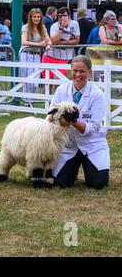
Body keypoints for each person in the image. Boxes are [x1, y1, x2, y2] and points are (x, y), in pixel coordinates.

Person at [50, 55, 109, 189]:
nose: (78, 74)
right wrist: (58, 121)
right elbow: (51, 116)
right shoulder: (61, 90)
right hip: (69, 145)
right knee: (60, 183)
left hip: (92, 145)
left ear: (89, 72)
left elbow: (93, 127)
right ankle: (71, 170)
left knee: (98, 184)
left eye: (82, 71)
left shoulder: (97, 95)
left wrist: (72, 121)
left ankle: (92, 170)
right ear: (71, 70)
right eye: (75, 70)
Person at [20, 8, 52, 102]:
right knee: (28, 80)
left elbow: (48, 39)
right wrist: (39, 44)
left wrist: (48, 45)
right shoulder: (26, 27)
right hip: (26, 55)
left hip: (37, 56)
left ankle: (30, 100)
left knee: (35, 82)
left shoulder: (42, 27)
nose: (36, 19)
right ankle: (27, 102)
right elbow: (24, 41)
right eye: (34, 17)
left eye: (38, 17)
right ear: (30, 17)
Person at [42, 7, 80, 80]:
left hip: (63, 58)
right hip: (50, 55)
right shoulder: (54, 26)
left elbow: (76, 41)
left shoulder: (74, 24)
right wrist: (61, 28)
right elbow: (54, 42)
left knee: (58, 80)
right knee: (47, 82)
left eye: (64, 15)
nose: (62, 17)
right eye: (60, 16)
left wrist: (61, 42)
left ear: (69, 16)